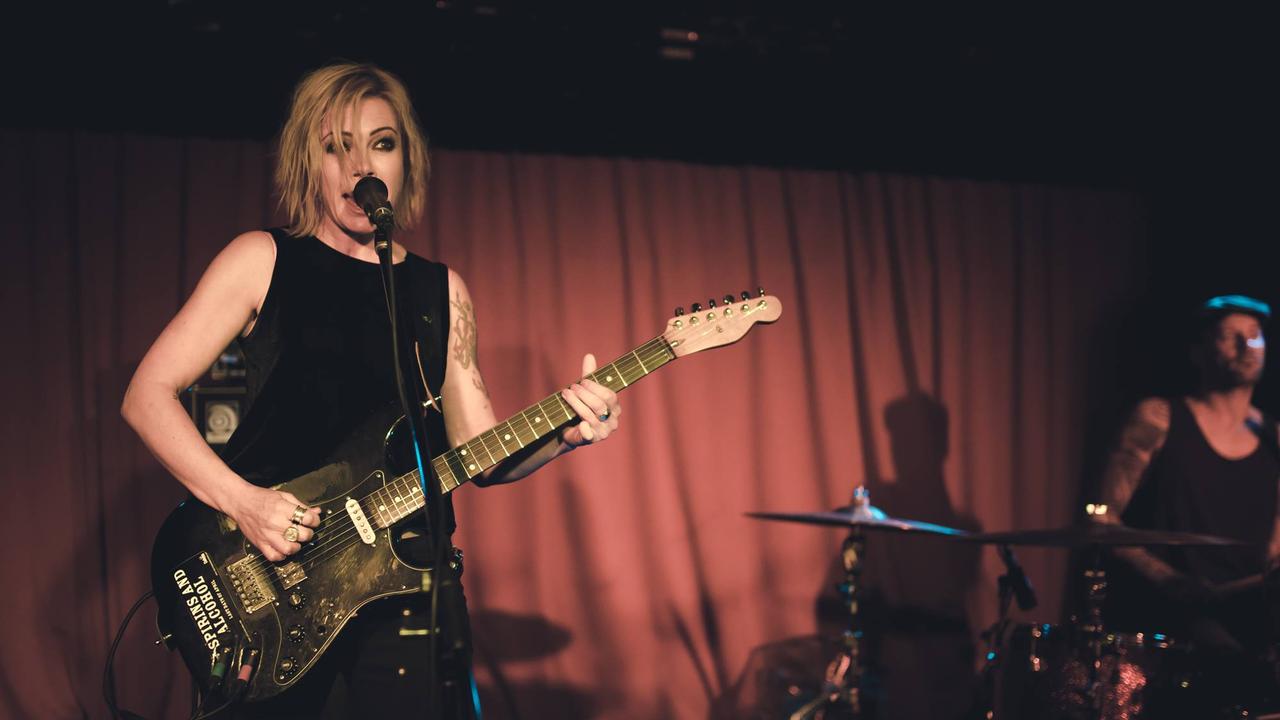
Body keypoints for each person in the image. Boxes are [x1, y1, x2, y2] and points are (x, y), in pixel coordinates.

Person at [121, 62, 622, 718]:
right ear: (310, 161)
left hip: (406, 586)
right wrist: (244, 504)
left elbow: (481, 455)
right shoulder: (262, 259)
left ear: (406, 161)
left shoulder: (442, 291)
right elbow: (146, 395)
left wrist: (567, 432)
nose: (362, 167)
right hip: (275, 582)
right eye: (339, 147)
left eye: (382, 144)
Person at [1093, 294, 1280, 710]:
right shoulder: (1159, 418)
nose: (1246, 346)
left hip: (1247, 619)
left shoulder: (1274, 438)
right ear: (1198, 352)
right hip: (1169, 622)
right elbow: (1103, 520)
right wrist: (1174, 584)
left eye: (1255, 336)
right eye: (1229, 336)